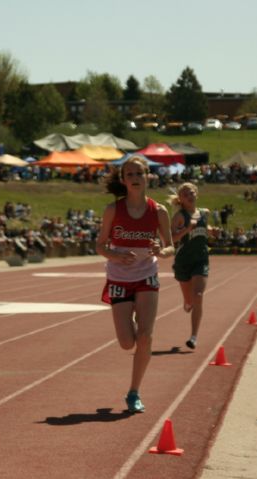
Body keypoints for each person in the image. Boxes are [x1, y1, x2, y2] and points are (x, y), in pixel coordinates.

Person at [96, 156, 174, 414]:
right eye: (129, 175)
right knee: (127, 343)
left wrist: (160, 251)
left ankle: (134, 392)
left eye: (139, 173)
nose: (135, 178)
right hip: (119, 277)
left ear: (148, 176)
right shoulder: (112, 210)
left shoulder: (159, 211)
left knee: (146, 337)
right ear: (123, 180)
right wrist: (115, 255)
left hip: (147, 275)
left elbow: (170, 246)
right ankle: (130, 326)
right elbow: (99, 245)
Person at [169, 182, 211, 350]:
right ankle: (187, 302)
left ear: (197, 194)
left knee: (199, 294)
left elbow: (204, 228)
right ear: (180, 199)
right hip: (183, 262)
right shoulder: (179, 216)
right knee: (189, 301)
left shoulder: (204, 213)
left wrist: (211, 230)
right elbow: (171, 239)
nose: (190, 194)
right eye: (185, 193)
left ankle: (193, 337)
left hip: (201, 259)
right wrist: (187, 229)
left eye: (192, 191)